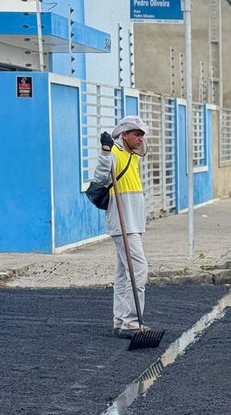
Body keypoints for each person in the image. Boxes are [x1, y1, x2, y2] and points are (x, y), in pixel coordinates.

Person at [92, 115, 151, 339]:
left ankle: (120, 320)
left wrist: (132, 139)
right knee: (138, 270)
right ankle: (132, 323)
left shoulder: (133, 155)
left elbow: (143, 149)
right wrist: (106, 152)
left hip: (134, 221)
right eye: (136, 134)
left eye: (142, 134)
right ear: (124, 134)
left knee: (122, 273)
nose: (140, 138)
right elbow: (99, 177)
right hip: (122, 222)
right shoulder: (114, 154)